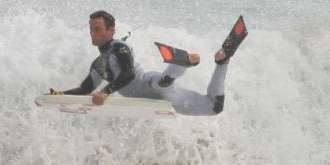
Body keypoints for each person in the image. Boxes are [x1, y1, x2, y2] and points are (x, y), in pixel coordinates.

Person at [52, 10, 240, 116]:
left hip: (147, 83)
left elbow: (128, 73)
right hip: (163, 100)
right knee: (214, 107)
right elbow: (85, 89)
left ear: (111, 31)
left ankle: (182, 64)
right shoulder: (97, 65)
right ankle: (222, 62)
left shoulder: (119, 47)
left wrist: (105, 92)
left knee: (160, 82)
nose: (93, 34)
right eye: (91, 30)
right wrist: (60, 94)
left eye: (98, 29)